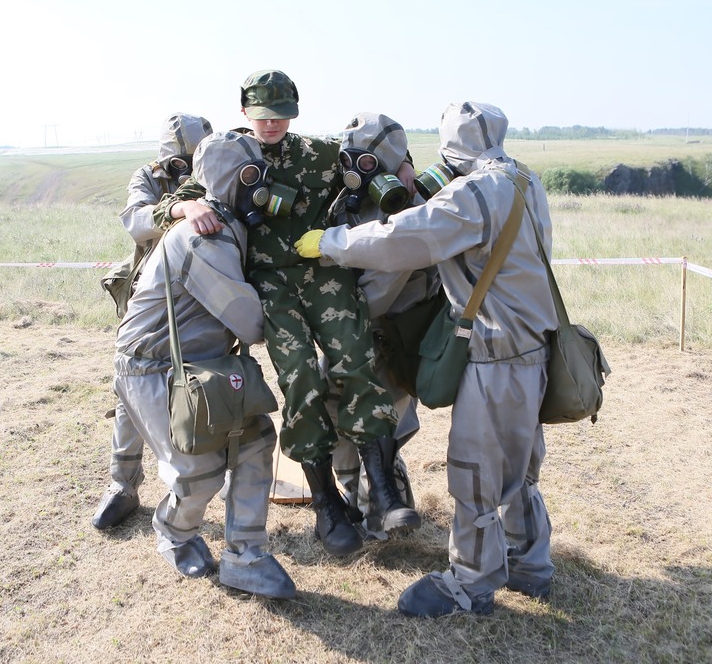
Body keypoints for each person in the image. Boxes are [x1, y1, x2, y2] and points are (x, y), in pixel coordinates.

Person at [294, 101, 558, 616]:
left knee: (477, 470)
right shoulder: (523, 178)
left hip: (495, 353)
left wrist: (330, 242)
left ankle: (471, 583)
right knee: (517, 467)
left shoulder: (477, 192)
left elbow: (405, 239)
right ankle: (529, 562)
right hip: (532, 348)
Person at [151, 70, 418, 557]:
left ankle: (383, 488)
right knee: (299, 378)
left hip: (325, 270)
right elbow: (182, 193)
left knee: (355, 359)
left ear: (294, 113)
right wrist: (184, 211)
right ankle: (325, 504)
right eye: (261, 116)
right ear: (244, 113)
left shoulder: (319, 152)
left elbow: (375, 157)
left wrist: (405, 170)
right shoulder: (231, 153)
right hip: (272, 283)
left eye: (281, 115)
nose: (271, 124)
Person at [113, 129, 295, 598]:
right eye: (253, 176)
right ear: (232, 179)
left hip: (205, 366)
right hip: (153, 367)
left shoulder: (232, 225)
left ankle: (245, 555)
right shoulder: (203, 235)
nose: (264, 186)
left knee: (255, 442)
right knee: (201, 472)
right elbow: (249, 321)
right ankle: (175, 533)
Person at [91, 113, 212, 531]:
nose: (189, 169)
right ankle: (122, 486)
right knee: (130, 395)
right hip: (150, 302)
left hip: (203, 303)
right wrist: (179, 206)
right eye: (181, 162)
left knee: (210, 389)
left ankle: (202, 487)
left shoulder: (221, 172)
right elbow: (136, 221)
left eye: (196, 161)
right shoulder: (147, 177)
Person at [325, 112, 436, 534]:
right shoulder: (349, 201)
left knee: (388, 416)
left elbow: (376, 295)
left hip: (392, 334)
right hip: (350, 330)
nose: (354, 170)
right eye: (349, 159)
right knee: (336, 411)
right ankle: (353, 491)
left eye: (368, 162)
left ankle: (385, 494)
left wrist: (326, 317)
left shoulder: (410, 210)